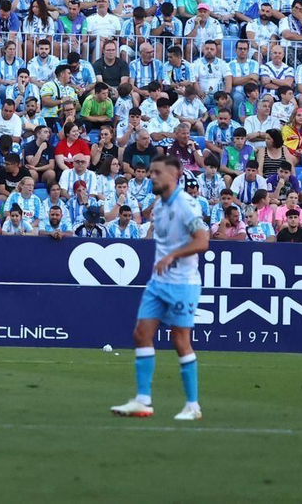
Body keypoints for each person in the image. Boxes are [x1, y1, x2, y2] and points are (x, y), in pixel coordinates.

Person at [111, 156, 209, 420]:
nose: (152, 176)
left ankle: (193, 405)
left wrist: (172, 256)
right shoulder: (159, 207)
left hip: (182, 283)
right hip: (158, 283)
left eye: (157, 172)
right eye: (151, 172)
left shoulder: (186, 205)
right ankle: (143, 400)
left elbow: (203, 241)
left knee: (180, 341)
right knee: (141, 333)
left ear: (173, 174)